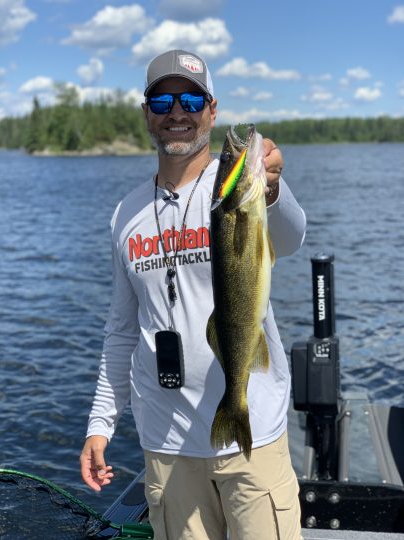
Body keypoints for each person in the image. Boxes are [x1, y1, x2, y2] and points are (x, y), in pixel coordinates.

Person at [80, 49, 306, 540]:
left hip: (254, 440)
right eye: (162, 102)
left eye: (190, 99)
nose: (177, 113)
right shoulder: (126, 214)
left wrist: (270, 189)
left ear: (211, 109)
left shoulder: (235, 193)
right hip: (166, 445)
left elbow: (289, 238)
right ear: (147, 114)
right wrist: (101, 424)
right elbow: (121, 330)